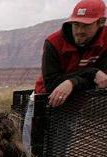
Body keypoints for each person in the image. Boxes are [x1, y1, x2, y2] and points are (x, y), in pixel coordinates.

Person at [23, 0, 107, 145]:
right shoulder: (54, 42)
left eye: (86, 25)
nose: (79, 30)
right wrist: (91, 73)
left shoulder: (105, 41)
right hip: (44, 102)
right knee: (29, 154)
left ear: (100, 22)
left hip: (73, 105)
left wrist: (71, 82)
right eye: (76, 24)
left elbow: (103, 79)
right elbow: (51, 83)